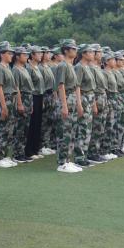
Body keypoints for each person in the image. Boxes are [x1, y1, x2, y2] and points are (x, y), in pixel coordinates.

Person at [53, 40, 84, 173]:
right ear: (66, 50)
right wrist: (64, 106)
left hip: (72, 100)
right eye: (73, 49)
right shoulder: (62, 65)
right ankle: (62, 163)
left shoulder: (71, 65)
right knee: (64, 133)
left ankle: (67, 159)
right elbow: (61, 86)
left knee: (71, 132)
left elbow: (76, 86)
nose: (75, 51)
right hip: (65, 99)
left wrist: (79, 104)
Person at [0, 42, 18, 169]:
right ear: (1, 54)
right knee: (2, 131)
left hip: (10, 99)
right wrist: (4, 106)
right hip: (4, 100)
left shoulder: (7, 67)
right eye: (9, 53)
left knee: (9, 130)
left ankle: (5, 155)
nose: (11, 55)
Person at [11, 47, 33, 164]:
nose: (26, 57)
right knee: (19, 128)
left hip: (28, 99)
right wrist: (19, 103)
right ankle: (17, 153)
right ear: (17, 57)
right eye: (24, 55)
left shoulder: (24, 68)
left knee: (25, 128)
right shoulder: (15, 70)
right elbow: (17, 88)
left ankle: (22, 152)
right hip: (22, 98)